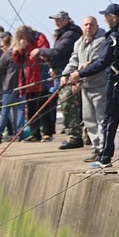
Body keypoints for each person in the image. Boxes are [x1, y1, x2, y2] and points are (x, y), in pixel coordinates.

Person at [68, 4, 119, 168]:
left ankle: (105, 157)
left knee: (110, 120)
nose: (105, 19)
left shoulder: (114, 36)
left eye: (106, 16)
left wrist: (81, 73)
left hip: (116, 83)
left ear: (113, 17)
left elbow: (103, 61)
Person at [34, 11, 83, 147]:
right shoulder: (63, 33)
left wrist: (40, 51)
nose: (57, 22)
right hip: (61, 73)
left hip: (70, 75)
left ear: (67, 19)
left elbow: (59, 52)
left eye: (59, 20)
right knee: (68, 105)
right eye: (55, 20)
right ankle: (76, 135)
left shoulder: (70, 34)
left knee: (68, 106)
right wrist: (53, 67)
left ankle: (74, 137)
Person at [62, 16, 107, 162]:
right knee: (89, 120)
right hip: (85, 86)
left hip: (100, 85)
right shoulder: (79, 43)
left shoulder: (102, 40)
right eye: (86, 25)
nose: (88, 27)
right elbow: (74, 60)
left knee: (101, 119)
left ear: (96, 26)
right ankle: (95, 148)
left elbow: (95, 61)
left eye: (91, 24)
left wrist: (78, 74)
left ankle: (103, 149)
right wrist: (65, 74)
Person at [12, 25, 51, 142]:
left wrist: (30, 48)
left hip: (39, 77)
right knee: (31, 109)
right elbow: (17, 61)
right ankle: (35, 133)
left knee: (43, 107)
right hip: (28, 79)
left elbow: (44, 52)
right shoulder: (21, 44)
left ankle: (47, 132)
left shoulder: (39, 37)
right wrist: (18, 51)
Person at [0, 35, 24, 143]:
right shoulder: (22, 53)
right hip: (22, 85)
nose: (1, 48)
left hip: (9, 86)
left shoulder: (6, 55)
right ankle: (19, 134)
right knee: (20, 110)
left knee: (5, 111)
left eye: (2, 46)